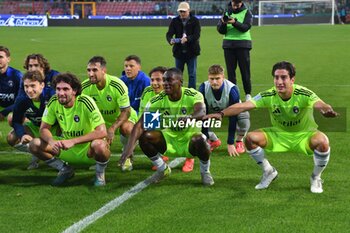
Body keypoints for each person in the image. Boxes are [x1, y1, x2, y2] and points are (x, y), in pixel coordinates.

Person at [205, 61, 338, 193]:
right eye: (276, 77)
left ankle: (316, 177)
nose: (279, 81)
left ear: (292, 79)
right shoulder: (268, 95)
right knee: (250, 138)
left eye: (284, 77)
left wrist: (326, 110)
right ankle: (268, 172)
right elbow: (243, 106)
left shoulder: (304, 93)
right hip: (279, 135)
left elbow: (320, 104)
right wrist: (221, 113)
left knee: (322, 142)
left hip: (304, 135)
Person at [120, 68, 214, 186]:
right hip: (168, 141)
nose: (165, 84)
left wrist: (190, 117)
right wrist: (129, 149)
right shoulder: (158, 100)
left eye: (169, 80)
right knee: (145, 136)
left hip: (189, 140)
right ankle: (162, 169)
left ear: (180, 82)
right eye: (164, 80)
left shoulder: (192, 94)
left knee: (201, 139)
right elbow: (140, 125)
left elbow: (201, 112)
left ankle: (205, 172)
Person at [29, 73, 111, 186]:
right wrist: (52, 142)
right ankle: (65, 169)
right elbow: (43, 129)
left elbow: (102, 131)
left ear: (74, 90)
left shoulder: (85, 102)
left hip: (88, 150)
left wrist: (73, 141)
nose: (61, 93)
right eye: (58, 89)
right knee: (34, 144)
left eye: (65, 89)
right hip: (66, 148)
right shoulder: (53, 102)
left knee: (100, 145)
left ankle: (100, 175)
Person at [82, 56, 137, 172]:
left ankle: (128, 156)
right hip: (102, 121)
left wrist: (112, 128)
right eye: (88, 70)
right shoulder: (84, 87)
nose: (91, 74)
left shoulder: (117, 85)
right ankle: (98, 159)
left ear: (104, 71)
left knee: (127, 128)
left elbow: (126, 112)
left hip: (122, 118)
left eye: (94, 70)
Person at [7, 71, 58, 170]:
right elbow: (16, 121)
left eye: (33, 86)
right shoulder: (22, 100)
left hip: (54, 128)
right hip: (35, 126)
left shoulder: (52, 96)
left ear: (42, 85)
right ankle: (36, 152)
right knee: (11, 137)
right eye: (26, 86)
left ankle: (60, 162)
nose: (29, 90)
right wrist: (22, 134)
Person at [199, 64, 250, 156]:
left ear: (223, 77)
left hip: (231, 111)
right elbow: (204, 115)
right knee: (197, 118)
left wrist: (230, 143)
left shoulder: (232, 89)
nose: (214, 82)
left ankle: (239, 140)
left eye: (217, 78)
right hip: (211, 111)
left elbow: (233, 116)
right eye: (211, 79)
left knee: (244, 118)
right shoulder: (203, 88)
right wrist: (205, 139)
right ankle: (213, 140)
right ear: (208, 77)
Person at [217, 0, 253, 101]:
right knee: (231, 72)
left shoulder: (247, 13)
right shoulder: (226, 12)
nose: (235, 7)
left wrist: (235, 22)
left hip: (243, 45)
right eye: (234, 5)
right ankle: (234, 96)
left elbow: (246, 27)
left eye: (237, 5)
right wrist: (223, 23)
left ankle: (248, 94)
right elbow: (220, 30)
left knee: (245, 71)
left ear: (241, 3)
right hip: (229, 45)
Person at [139, 66, 172, 171]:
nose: (154, 83)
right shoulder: (147, 91)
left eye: (158, 79)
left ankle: (189, 159)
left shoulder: (173, 93)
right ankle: (160, 158)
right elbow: (143, 113)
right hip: (160, 124)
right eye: (152, 79)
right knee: (145, 132)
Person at [166, 1, 201, 89]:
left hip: (192, 52)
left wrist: (187, 39)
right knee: (177, 75)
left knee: (192, 75)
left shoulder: (195, 21)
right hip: (179, 53)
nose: (182, 13)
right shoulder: (174, 21)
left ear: (189, 10)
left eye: (184, 11)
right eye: (180, 11)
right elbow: (169, 34)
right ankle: (178, 91)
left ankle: (192, 93)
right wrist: (170, 40)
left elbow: (197, 35)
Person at [0, 45, 22, 122]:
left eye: (1, 57)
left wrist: (4, 113)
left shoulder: (16, 75)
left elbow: (21, 100)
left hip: (12, 108)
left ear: (8, 59)